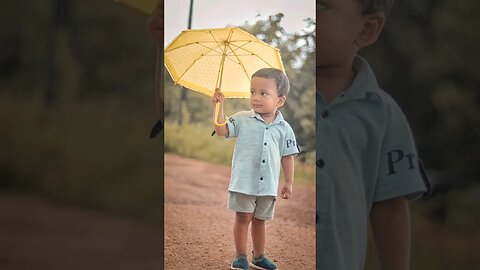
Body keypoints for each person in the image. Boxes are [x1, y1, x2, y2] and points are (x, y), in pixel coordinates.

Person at [316, 0, 429, 269]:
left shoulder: (383, 114)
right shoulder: (280, 100)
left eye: (319, 6)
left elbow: (390, 206)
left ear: (367, 29)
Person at [211, 68, 299, 270]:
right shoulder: (242, 118)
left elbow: (288, 155)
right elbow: (221, 129)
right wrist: (218, 107)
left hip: (268, 184)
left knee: (260, 221)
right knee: (243, 217)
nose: (256, 98)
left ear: (280, 101)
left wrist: (289, 182)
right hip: (244, 181)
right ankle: (240, 256)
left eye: (263, 93)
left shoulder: (285, 128)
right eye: (252, 92)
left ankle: (258, 256)